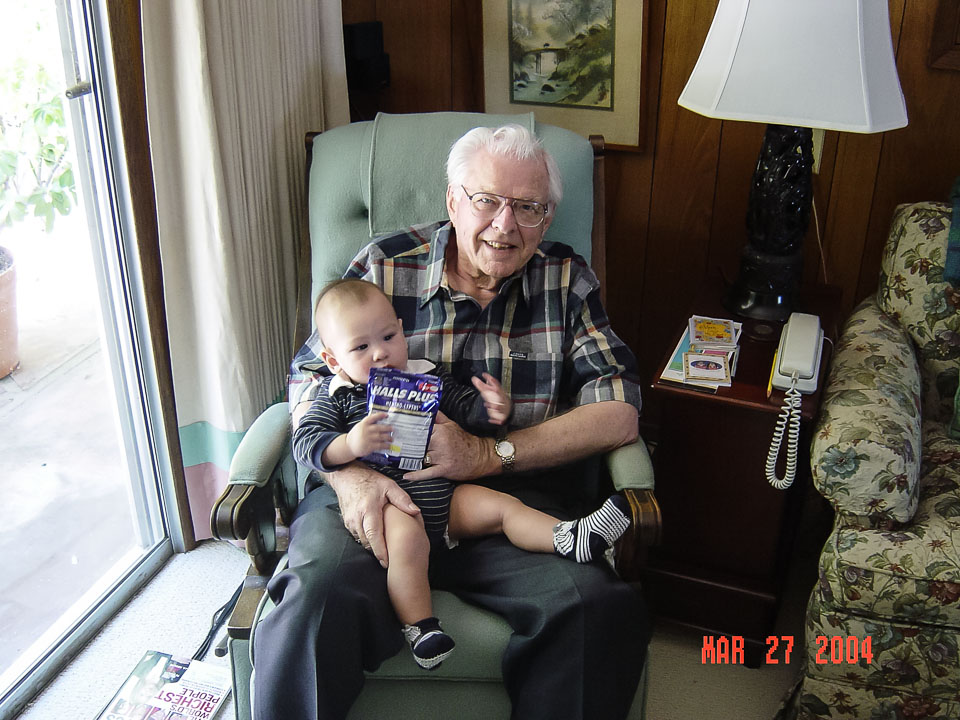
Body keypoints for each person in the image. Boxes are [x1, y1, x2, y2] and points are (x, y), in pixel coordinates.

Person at [254, 123, 650, 720]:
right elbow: (310, 378)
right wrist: (348, 474)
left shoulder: (567, 280)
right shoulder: (384, 265)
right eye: (487, 200)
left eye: (528, 207)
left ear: (547, 217)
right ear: (452, 200)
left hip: (502, 503)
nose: (505, 225)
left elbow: (618, 410)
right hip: (374, 492)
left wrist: (492, 454)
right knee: (314, 600)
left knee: (594, 607)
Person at [293, 277, 633, 670]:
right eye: (361, 348)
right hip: (393, 505)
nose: (381, 353)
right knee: (407, 543)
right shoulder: (337, 396)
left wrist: (491, 409)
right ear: (334, 361)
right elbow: (307, 442)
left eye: (388, 337)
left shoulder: (426, 378)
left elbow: (463, 407)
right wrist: (349, 445)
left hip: (448, 497)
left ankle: (569, 537)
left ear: (402, 330)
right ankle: (421, 626)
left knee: (503, 508)